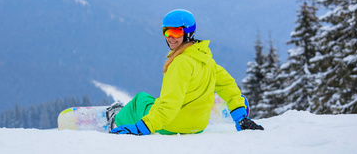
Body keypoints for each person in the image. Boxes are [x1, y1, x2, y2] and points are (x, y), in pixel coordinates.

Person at [107, 9, 264, 135]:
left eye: (176, 33)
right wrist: (240, 117)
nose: (171, 38)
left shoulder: (180, 63)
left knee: (140, 100)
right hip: (199, 125)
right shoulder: (206, 59)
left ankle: (117, 120)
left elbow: (169, 105)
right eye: (167, 32)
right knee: (153, 101)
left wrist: (142, 128)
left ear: (188, 33)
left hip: (173, 125)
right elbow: (229, 87)